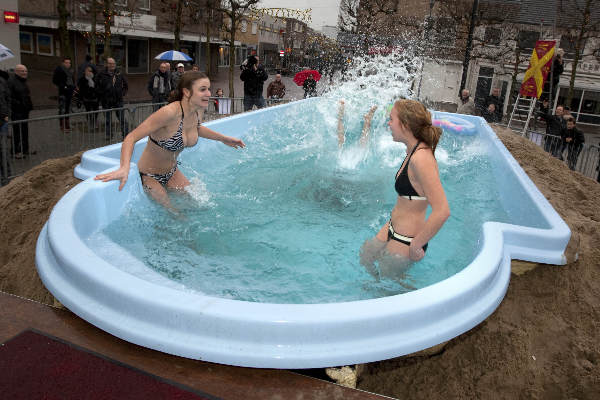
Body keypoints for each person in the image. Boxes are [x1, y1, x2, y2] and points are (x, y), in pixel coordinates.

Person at [94, 72, 245, 211]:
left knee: (198, 205)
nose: (208, 93)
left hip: (172, 172)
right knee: (173, 214)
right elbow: (131, 137)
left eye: (209, 89)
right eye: (203, 89)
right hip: (149, 175)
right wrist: (124, 167)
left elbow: (196, 128)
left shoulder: (197, 111)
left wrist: (225, 139)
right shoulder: (169, 113)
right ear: (186, 92)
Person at [359, 99, 450, 279]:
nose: (389, 123)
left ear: (405, 125)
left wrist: (417, 244)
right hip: (392, 227)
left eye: (392, 119)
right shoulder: (411, 151)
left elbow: (442, 211)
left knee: (388, 287)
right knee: (366, 257)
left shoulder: (421, 158)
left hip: (407, 239)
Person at [96, 57, 129, 140]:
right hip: (106, 101)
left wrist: (122, 93)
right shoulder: (101, 74)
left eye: (113, 63)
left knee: (122, 118)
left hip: (118, 100)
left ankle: (126, 135)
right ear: (107, 64)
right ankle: (109, 135)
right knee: (108, 120)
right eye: (110, 63)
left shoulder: (119, 73)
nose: (112, 65)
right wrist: (102, 94)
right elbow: (96, 87)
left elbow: (125, 86)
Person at [8, 64, 33, 159]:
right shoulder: (11, 82)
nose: (24, 73)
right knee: (17, 131)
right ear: (16, 72)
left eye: (26, 71)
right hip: (17, 111)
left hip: (25, 110)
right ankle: (16, 151)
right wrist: (18, 104)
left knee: (24, 130)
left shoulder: (23, 81)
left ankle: (25, 149)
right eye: (22, 71)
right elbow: (10, 97)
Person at [52, 57, 75, 132]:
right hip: (63, 92)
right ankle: (62, 126)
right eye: (66, 62)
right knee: (62, 109)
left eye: (69, 63)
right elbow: (54, 80)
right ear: (63, 63)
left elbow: (72, 79)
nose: (68, 64)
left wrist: (73, 87)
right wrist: (63, 86)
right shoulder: (59, 70)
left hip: (70, 92)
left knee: (67, 109)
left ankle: (67, 125)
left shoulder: (71, 70)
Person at [0, 69, 11, 184]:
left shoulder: (2, 80)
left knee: (3, 149)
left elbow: (7, 98)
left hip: (2, 121)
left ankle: (6, 177)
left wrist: (6, 114)